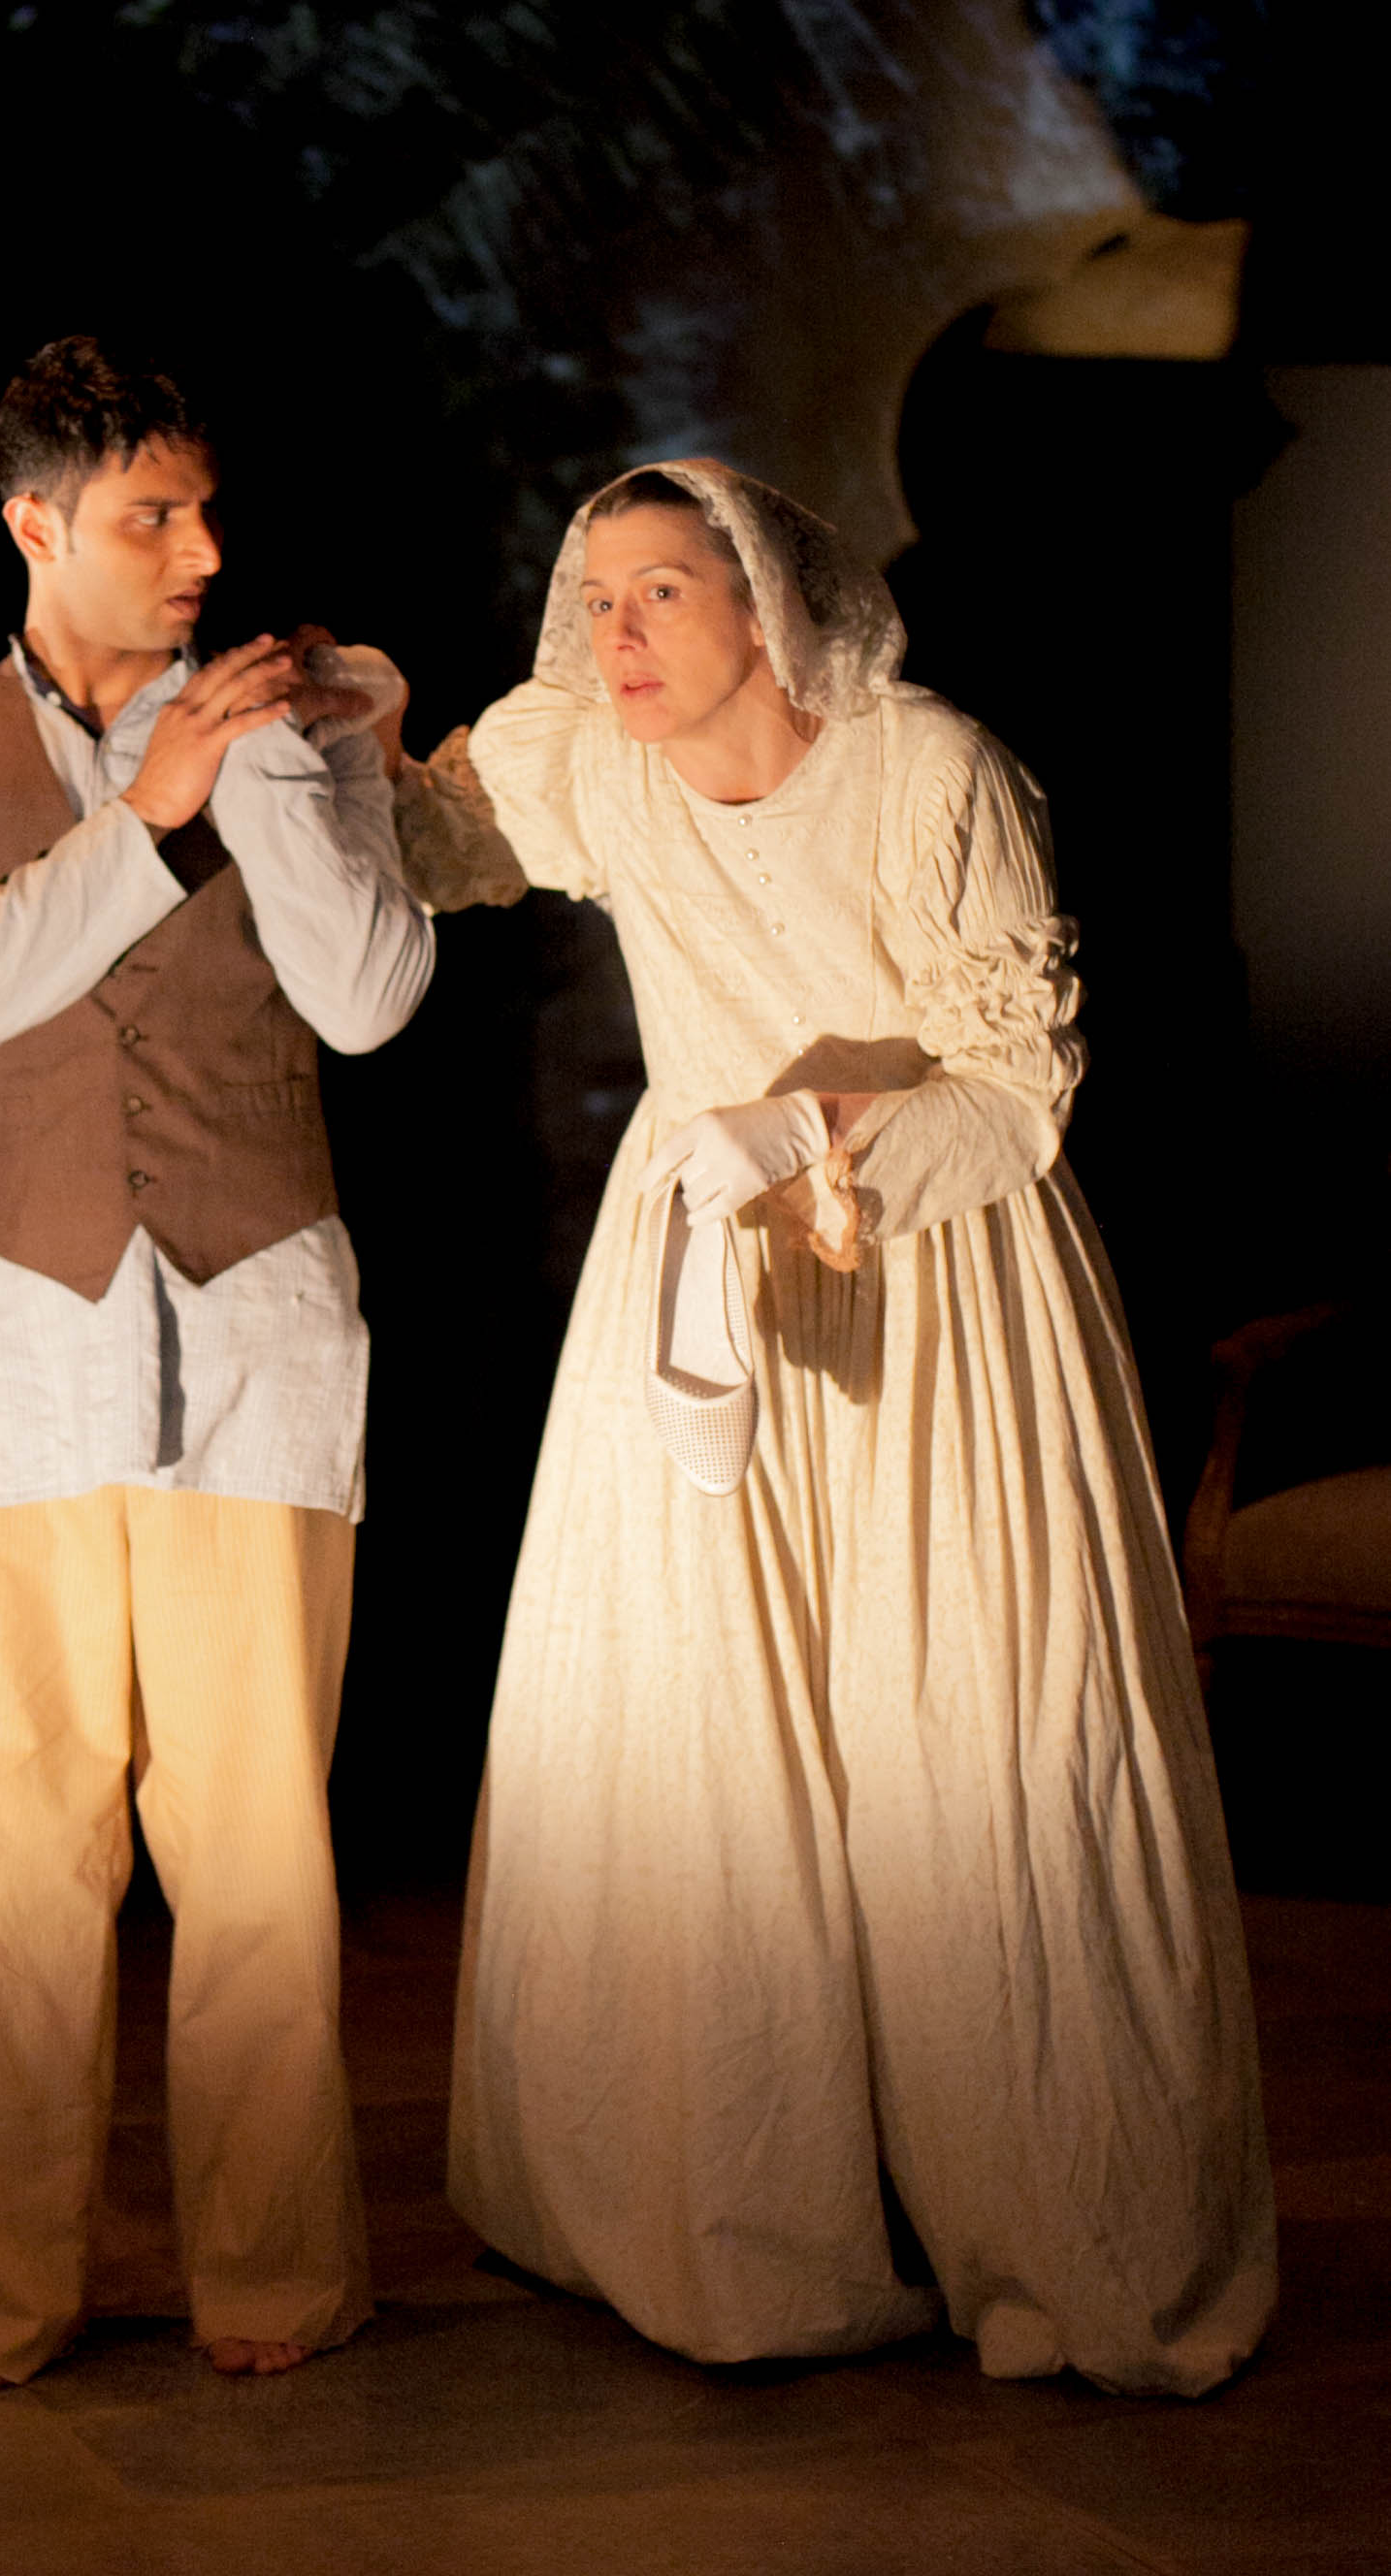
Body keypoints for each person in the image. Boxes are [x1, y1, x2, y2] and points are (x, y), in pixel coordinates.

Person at [389, 461, 1276, 2395]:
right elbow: (427, 852)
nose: (616, 632)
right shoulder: (595, 762)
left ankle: (1054, 2228)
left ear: (764, 599)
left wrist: (809, 1132)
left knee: (973, 1737)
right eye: (596, 597)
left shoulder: (924, 770)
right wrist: (340, 735)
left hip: (936, 1283)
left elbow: (1018, 1076)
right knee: (706, 1735)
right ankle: (742, 2211)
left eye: (659, 590)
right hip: (708, 1275)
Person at [0, 336, 433, 2398]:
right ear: (34, 523)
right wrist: (148, 816)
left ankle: (273, 2273)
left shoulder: (277, 725)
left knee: (257, 1852)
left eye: (203, 508)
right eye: (151, 516)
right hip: (6, 1361)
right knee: (1, 1863)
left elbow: (369, 999)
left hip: (258, 1335)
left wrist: (293, 773)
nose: (201, 552)